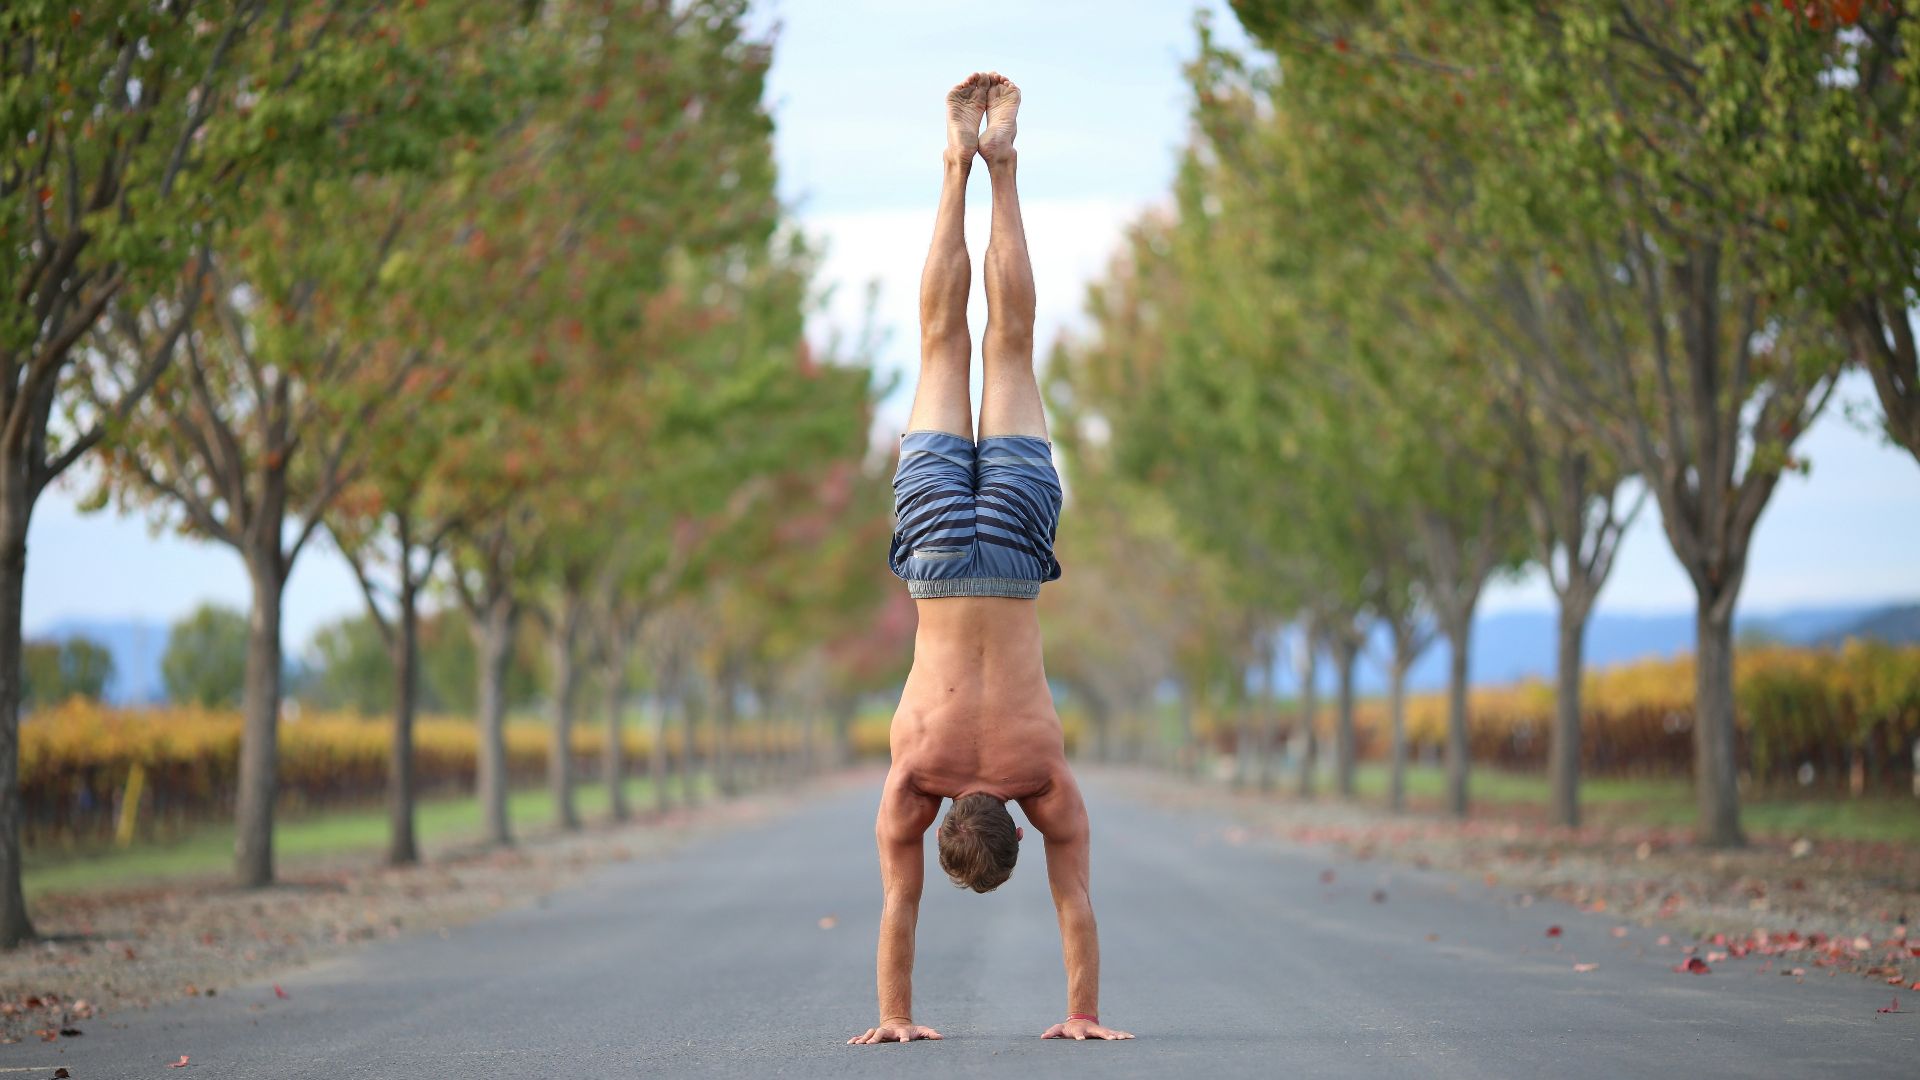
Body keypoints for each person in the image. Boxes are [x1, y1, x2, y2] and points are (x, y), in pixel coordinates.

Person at [847, 72, 1133, 1047]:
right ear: (944, 827)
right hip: (932, 553)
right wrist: (893, 1016)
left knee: (1008, 346)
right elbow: (899, 909)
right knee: (938, 345)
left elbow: (1076, 904)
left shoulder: (1041, 774)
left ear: (1015, 822)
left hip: (1010, 554)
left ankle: (1000, 165)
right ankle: (952, 165)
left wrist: (1084, 1011)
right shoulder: (914, 776)